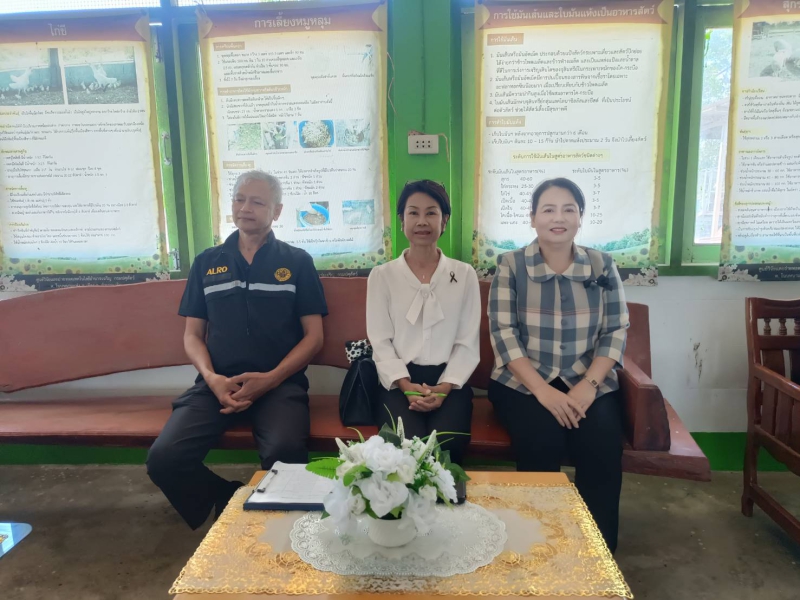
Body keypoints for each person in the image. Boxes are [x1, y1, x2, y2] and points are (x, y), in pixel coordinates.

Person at [146, 170, 328, 529]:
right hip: (217, 385)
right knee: (164, 458)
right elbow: (192, 335)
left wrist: (271, 379)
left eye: (257, 202)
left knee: (285, 454)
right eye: (239, 199)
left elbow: (314, 337)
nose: (245, 208)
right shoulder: (207, 262)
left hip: (279, 385)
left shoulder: (296, 262)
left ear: (277, 211)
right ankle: (227, 499)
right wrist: (212, 378)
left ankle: (280, 532)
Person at [487, 177, 629, 552]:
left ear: (580, 217)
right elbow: (503, 333)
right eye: (548, 209)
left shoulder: (602, 264)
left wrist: (590, 385)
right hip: (523, 383)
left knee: (602, 445)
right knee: (540, 443)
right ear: (532, 217)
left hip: (589, 381)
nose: (558, 218)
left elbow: (615, 329)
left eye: (569, 209)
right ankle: (540, 550)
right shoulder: (511, 265)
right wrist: (542, 391)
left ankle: (595, 557)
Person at [367, 180, 480, 465]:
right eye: (413, 213)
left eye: (431, 213)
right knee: (404, 446)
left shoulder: (464, 275)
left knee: (448, 444)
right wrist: (406, 385)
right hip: (398, 381)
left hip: (450, 382)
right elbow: (380, 340)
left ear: (444, 221)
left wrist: (444, 388)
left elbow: (467, 341)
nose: (422, 221)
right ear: (401, 220)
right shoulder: (382, 276)